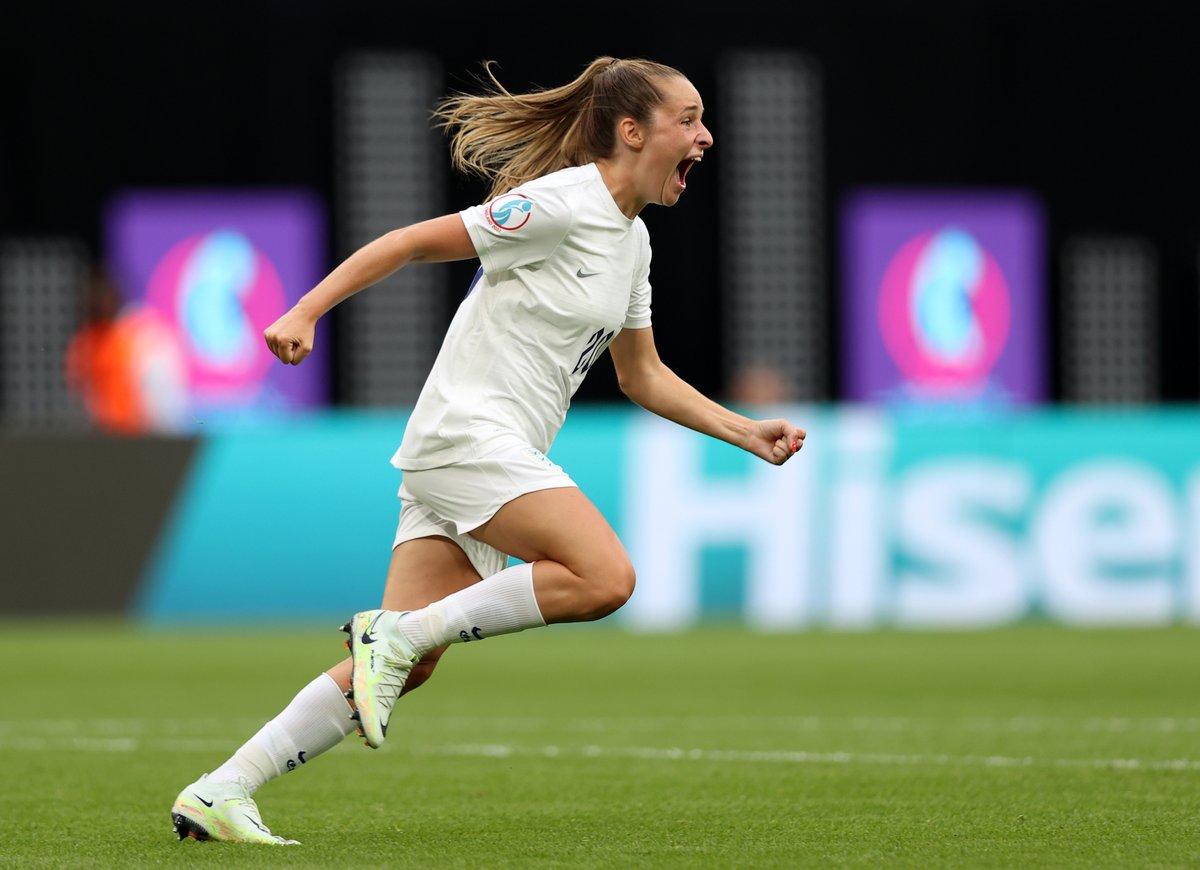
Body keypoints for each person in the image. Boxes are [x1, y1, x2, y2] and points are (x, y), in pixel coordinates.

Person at [169, 55, 806, 845]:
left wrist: (746, 431)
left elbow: (642, 376)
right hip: (470, 437)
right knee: (604, 578)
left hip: (480, 454)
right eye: (690, 120)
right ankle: (394, 634)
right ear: (632, 130)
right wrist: (305, 311)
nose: (705, 137)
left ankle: (222, 789)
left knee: (416, 660)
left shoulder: (633, 243)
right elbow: (406, 244)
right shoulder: (560, 204)